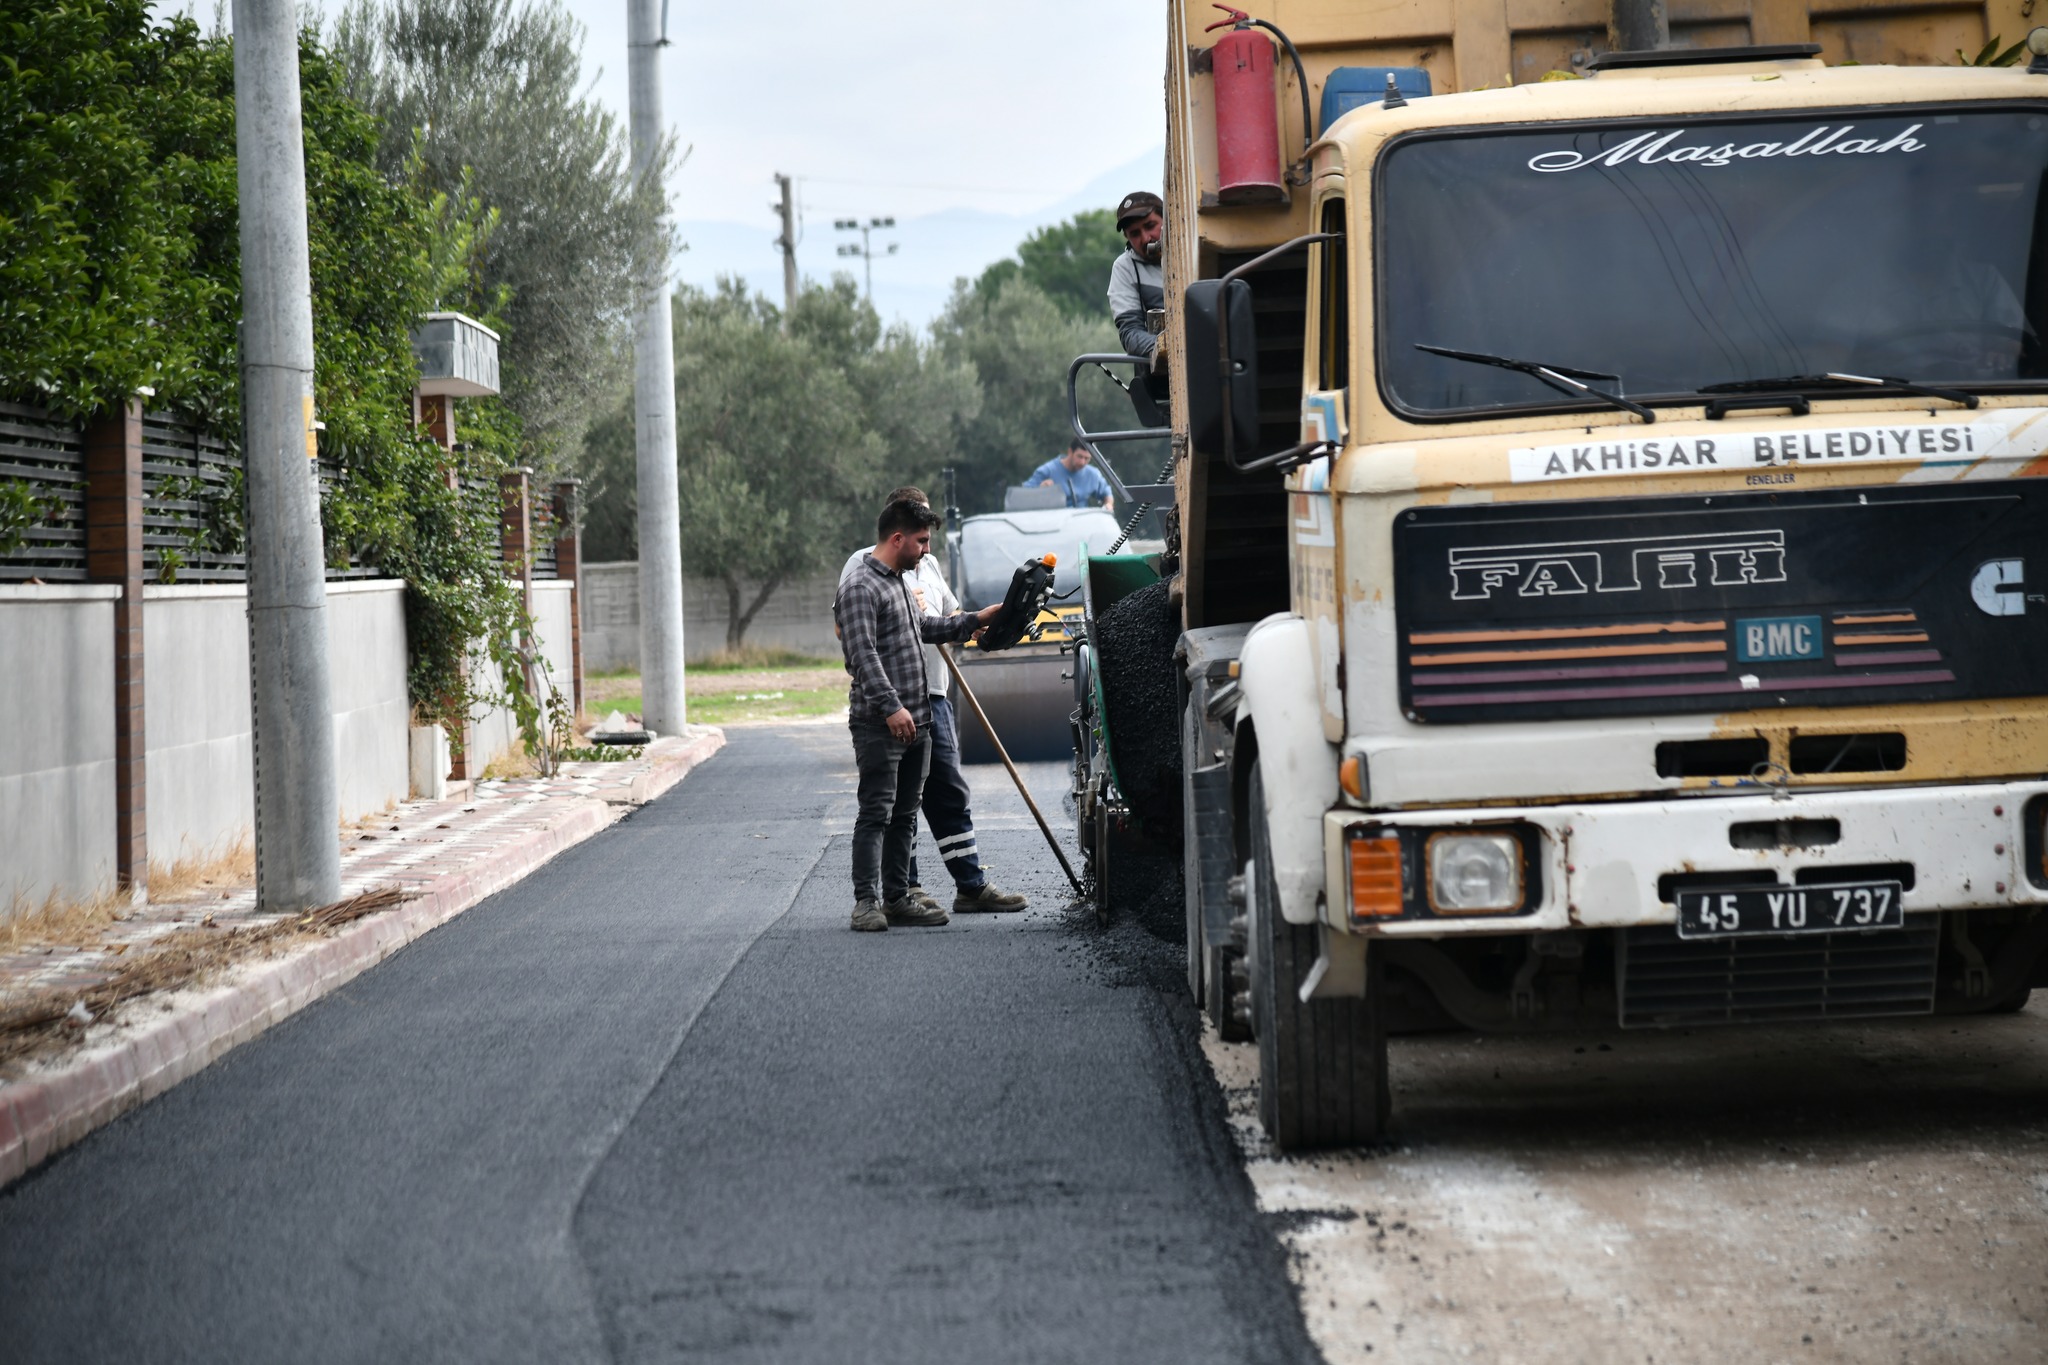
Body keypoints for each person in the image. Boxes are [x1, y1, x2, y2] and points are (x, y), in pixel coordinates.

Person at [837, 488, 1027, 917]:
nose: (926, 551)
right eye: (921, 541)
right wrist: (891, 707)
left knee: (905, 814)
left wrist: (978, 619)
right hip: (880, 721)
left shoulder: (901, 582)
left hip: (920, 716)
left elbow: (925, 627)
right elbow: (861, 655)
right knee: (877, 814)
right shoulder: (859, 585)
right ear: (897, 537)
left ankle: (900, 899)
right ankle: (866, 904)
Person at [1108, 190, 1165, 361]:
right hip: (1160, 378)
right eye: (1135, 233)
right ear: (1127, 237)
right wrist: (1169, 346)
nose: (1146, 238)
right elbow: (1131, 334)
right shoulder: (1124, 268)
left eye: (1150, 226)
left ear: (1168, 220)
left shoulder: (1193, 250)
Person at [1022, 440, 1114, 511]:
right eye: (1080, 456)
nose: (1082, 462)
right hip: (1052, 521)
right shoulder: (1047, 471)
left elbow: (1107, 493)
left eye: (1087, 459)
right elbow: (1023, 495)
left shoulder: (1093, 474)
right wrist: (1040, 489)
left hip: (1081, 523)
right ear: (1070, 452)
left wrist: (1108, 505)